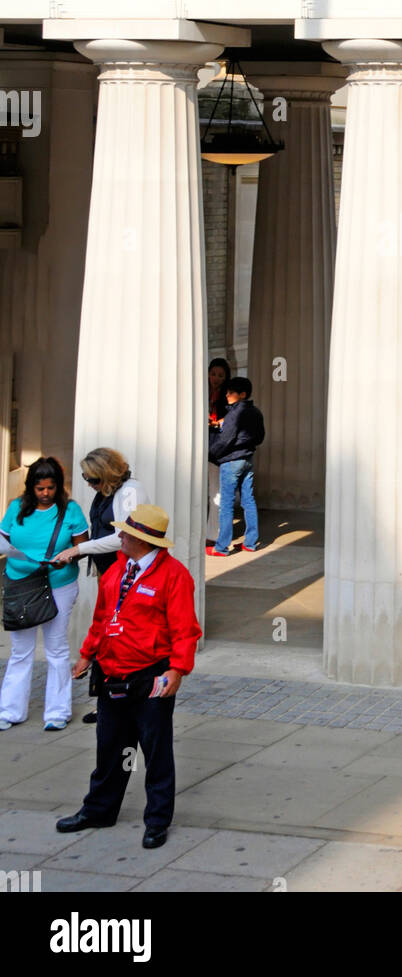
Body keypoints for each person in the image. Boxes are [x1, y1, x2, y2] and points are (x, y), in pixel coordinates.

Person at [56, 505, 201, 850]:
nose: (119, 536)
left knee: (156, 751)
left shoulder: (174, 576)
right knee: (110, 747)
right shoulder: (117, 570)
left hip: (151, 675)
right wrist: (88, 654)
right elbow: (103, 617)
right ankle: (99, 810)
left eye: (125, 533)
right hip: (112, 671)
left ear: (142, 540)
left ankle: (157, 821)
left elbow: (185, 630)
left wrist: (177, 670)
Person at [53, 448, 150, 723]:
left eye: (92, 478)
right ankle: (108, 699)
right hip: (109, 569)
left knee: (120, 632)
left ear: (107, 474)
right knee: (109, 630)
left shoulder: (130, 491)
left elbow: (124, 536)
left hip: (124, 570)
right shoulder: (107, 492)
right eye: (86, 478)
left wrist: (79, 549)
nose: (89, 483)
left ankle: (120, 698)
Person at [0, 457, 88, 732]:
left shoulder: (71, 511)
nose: (46, 493)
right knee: (21, 650)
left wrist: (67, 557)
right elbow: (4, 539)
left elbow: (82, 547)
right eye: (40, 489)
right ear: (31, 488)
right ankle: (10, 711)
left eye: (51, 488)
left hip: (58, 584)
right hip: (21, 583)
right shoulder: (16, 508)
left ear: (59, 487)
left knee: (57, 648)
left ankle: (57, 712)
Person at [207, 376, 265, 556]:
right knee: (248, 501)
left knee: (226, 504)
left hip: (231, 460)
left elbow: (226, 439)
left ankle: (222, 547)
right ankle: (250, 543)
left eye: (231, 392)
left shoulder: (234, 413)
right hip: (247, 458)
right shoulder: (256, 412)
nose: (227, 395)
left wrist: (211, 452)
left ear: (242, 394)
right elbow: (260, 437)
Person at [206, 357, 232, 545]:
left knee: (216, 490)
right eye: (213, 374)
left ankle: (215, 533)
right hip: (201, 443)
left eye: (220, 375)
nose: (216, 378)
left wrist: (215, 422)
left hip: (216, 448)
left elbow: (231, 420)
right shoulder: (201, 392)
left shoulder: (227, 398)